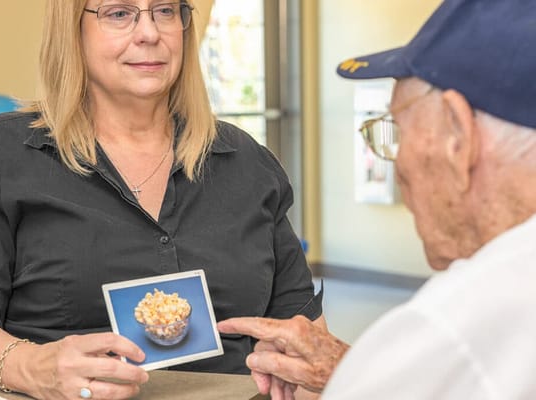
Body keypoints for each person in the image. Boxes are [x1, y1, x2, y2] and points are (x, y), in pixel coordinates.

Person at [0, 1, 326, 399]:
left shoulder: (247, 162)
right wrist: (29, 366)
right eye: (119, 13)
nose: (149, 33)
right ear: (73, 30)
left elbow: (306, 341)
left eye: (164, 11)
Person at [218, 0, 536, 398]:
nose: (398, 167)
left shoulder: (459, 321)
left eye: (398, 131)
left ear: (458, 138)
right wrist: (353, 372)